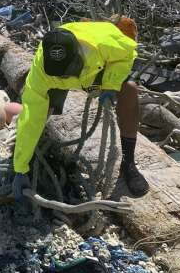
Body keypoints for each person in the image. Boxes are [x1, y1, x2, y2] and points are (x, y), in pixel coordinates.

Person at [12, 18, 149, 206]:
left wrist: (110, 83)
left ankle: (128, 163)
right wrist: (20, 169)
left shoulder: (104, 44)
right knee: (41, 113)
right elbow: (30, 117)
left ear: (78, 56)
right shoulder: (41, 71)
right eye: (62, 75)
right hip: (55, 80)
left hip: (94, 70)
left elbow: (128, 54)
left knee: (130, 90)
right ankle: (33, 152)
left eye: (68, 72)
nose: (66, 77)